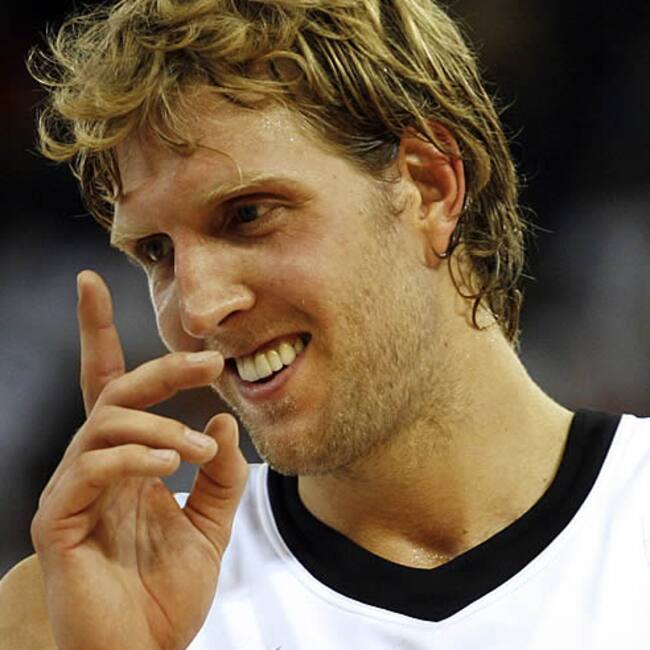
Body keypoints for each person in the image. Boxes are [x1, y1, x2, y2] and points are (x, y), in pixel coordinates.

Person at [0, 1, 648, 648]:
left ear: (429, 187)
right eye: (156, 251)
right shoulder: (72, 607)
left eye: (248, 214)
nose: (196, 309)